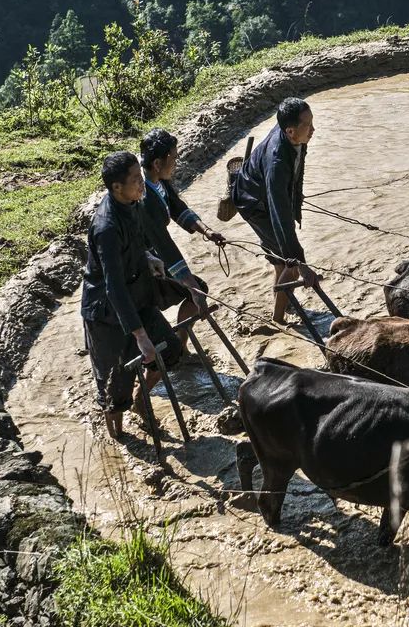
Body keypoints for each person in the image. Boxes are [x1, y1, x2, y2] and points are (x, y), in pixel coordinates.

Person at [80, 151, 182, 438]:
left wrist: (148, 258)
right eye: (136, 180)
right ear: (116, 187)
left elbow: (137, 243)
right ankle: (119, 438)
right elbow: (113, 285)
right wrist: (140, 336)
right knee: (114, 386)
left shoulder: (133, 204)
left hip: (135, 297)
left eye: (141, 177)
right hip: (106, 311)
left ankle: (142, 399)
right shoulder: (106, 228)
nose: (142, 184)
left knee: (171, 350)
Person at [232, 96, 318, 324]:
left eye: (312, 122)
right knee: (289, 265)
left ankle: (282, 304)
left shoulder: (293, 134)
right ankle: (278, 320)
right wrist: (300, 263)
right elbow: (279, 214)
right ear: (290, 131)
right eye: (307, 126)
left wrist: (295, 199)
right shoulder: (277, 162)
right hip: (254, 203)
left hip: (264, 192)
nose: (313, 129)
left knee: (281, 261)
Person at [138, 128, 226, 344]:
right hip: (144, 259)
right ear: (158, 163)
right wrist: (190, 284)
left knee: (194, 289)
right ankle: (178, 347)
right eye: (174, 158)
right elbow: (164, 245)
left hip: (155, 254)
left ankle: (179, 344)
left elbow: (176, 207)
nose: (176, 163)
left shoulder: (158, 180)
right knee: (196, 290)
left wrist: (206, 230)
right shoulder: (144, 196)